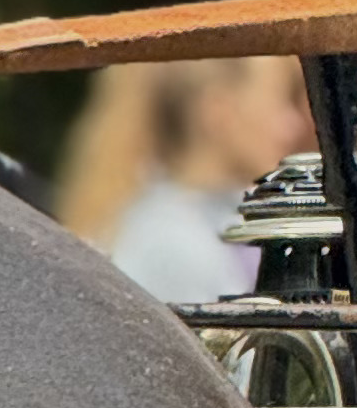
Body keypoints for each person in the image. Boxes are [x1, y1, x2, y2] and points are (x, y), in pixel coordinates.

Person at [56, 55, 315, 308]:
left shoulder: (205, 222)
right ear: (219, 110)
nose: (292, 125)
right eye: (280, 103)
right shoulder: (173, 244)